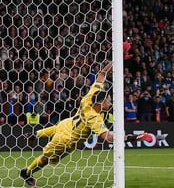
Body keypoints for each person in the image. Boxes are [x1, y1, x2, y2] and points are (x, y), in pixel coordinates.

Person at [20, 61, 154, 186]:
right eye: (108, 100)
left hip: (68, 123)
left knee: (57, 128)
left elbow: (102, 74)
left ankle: (35, 134)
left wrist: (117, 61)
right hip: (66, 140)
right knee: (46, 159)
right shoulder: (94, 118)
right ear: (100, 103)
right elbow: (110, 138)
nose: (110, 102)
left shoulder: (90, 96)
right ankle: (26, 172)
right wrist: (137, 137)